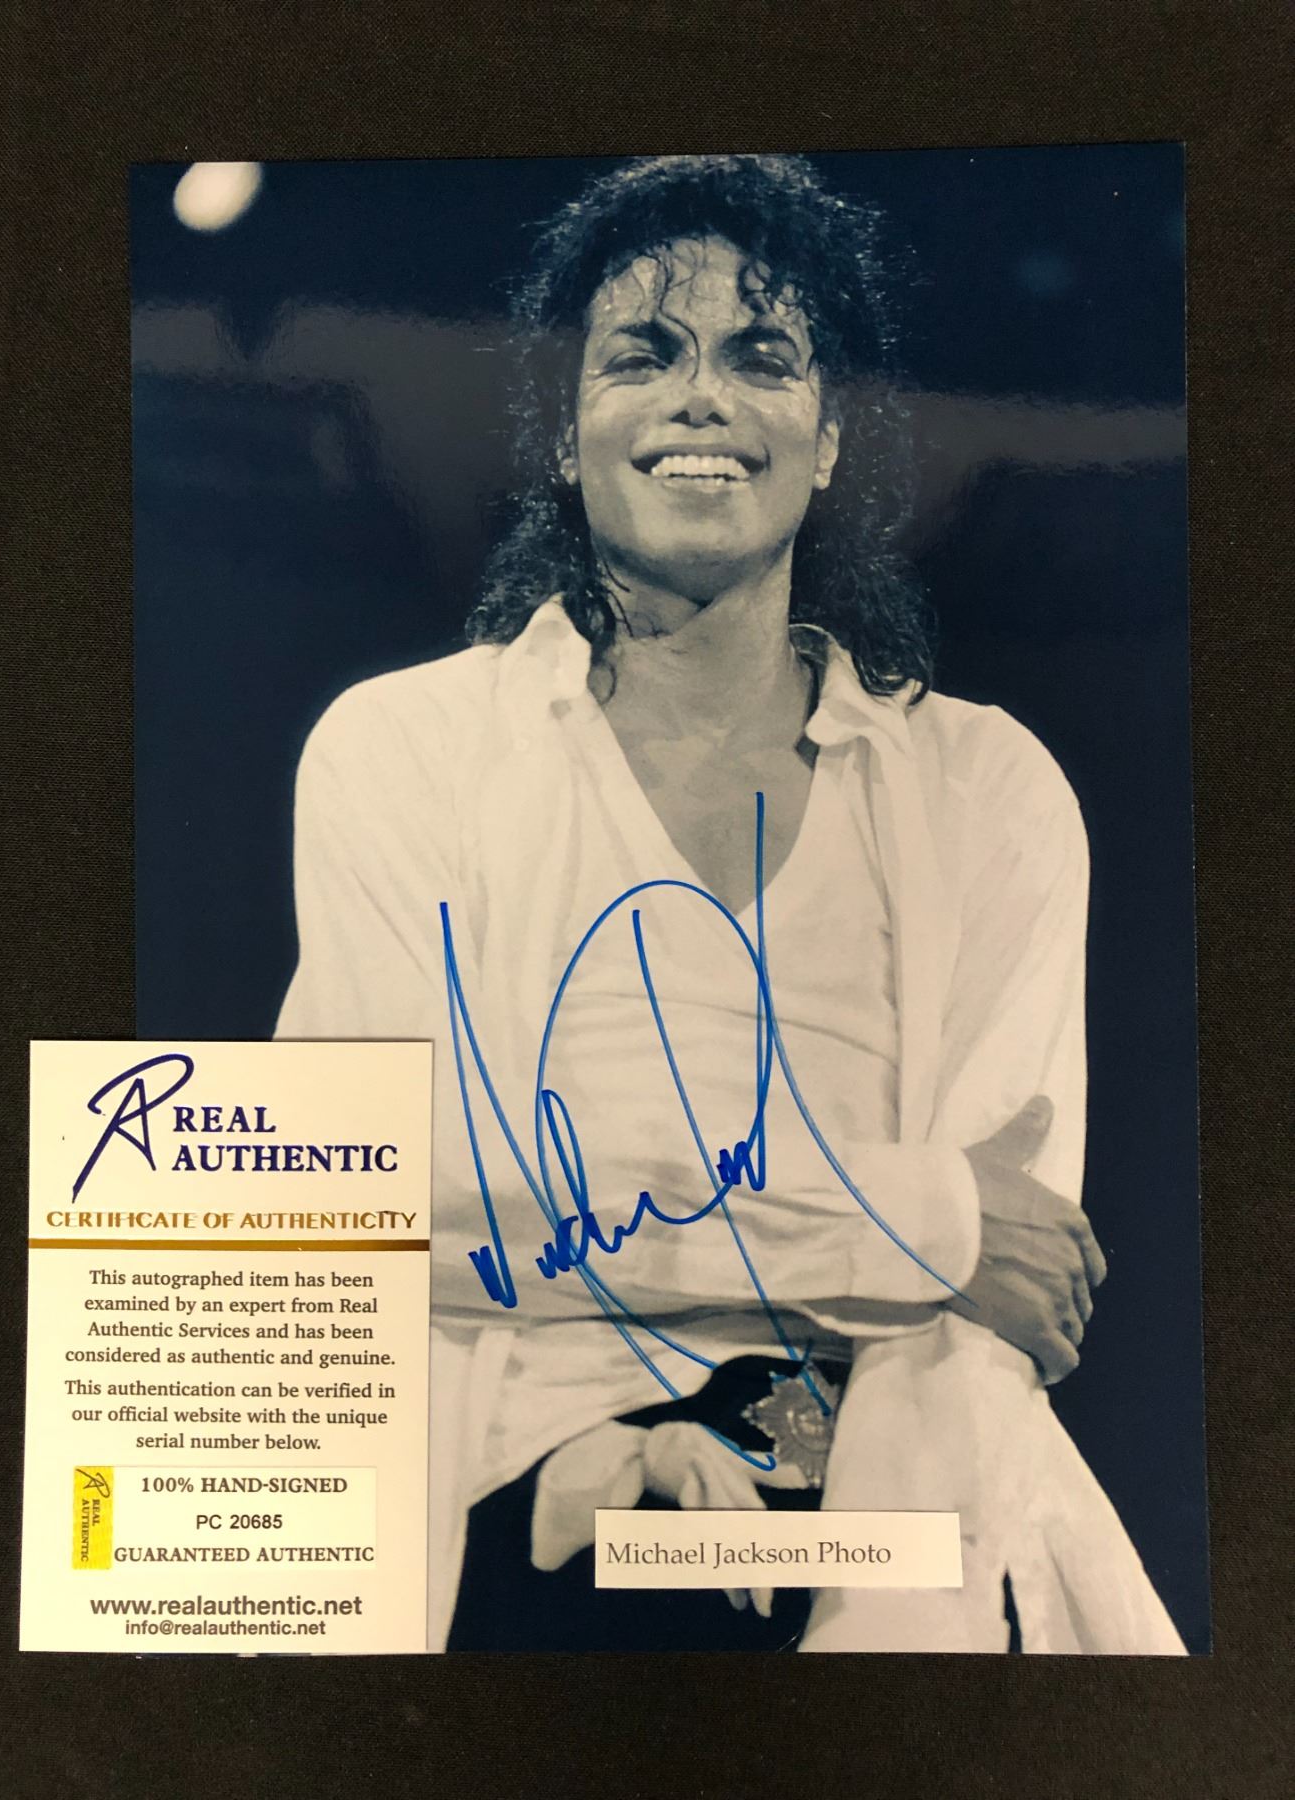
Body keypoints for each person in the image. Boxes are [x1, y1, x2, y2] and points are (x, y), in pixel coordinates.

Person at [276, 155, 1183, 1653]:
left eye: (761, 358)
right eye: (642, 355)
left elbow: (1006, 1282)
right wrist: (914, 1215)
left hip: (876, 1536)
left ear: (825, 440)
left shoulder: (988, 788)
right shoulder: (401, 751)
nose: (700, 396)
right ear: (564, 433)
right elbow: (378, 1203)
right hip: (502, 1524)